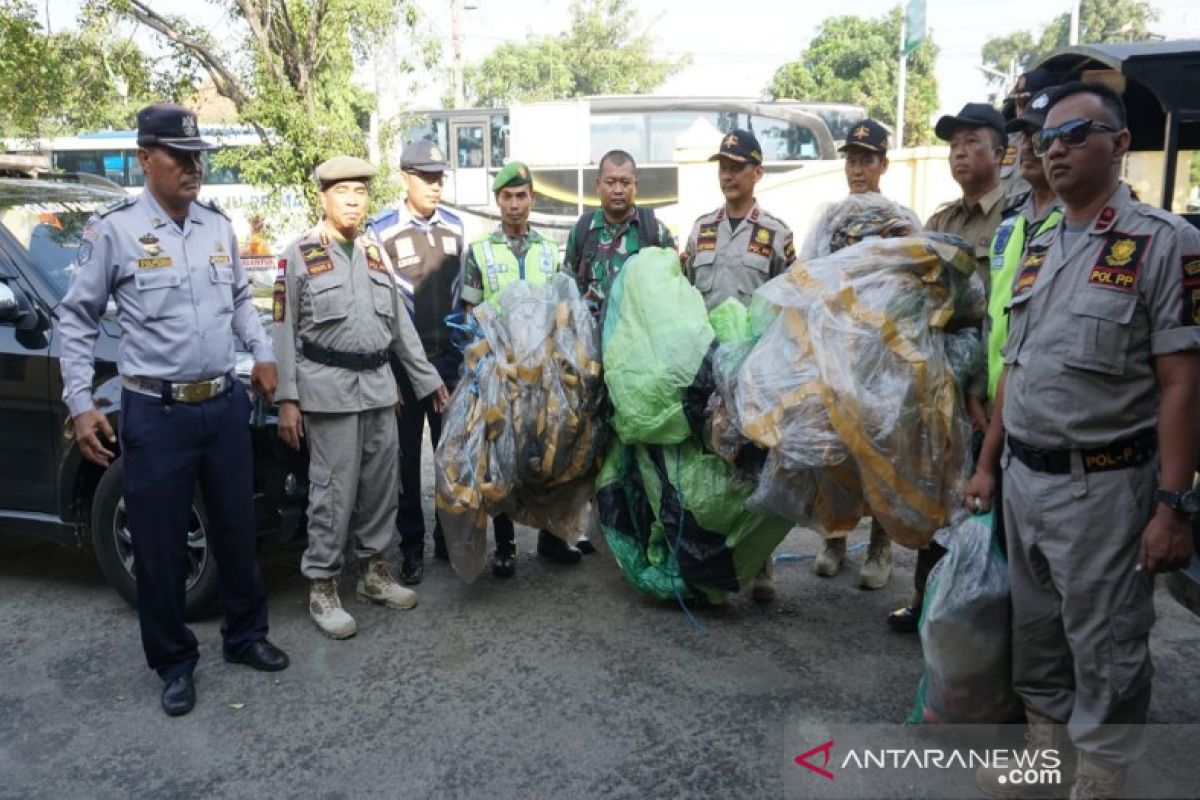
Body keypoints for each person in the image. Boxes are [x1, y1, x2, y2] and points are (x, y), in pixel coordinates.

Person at [967, 81, 1199, 799]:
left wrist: (1171, 505)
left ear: (1120, 145)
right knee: (1037, 636)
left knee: (1105, 646)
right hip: (1024, 479)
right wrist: (986, 465)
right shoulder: (1037, 243)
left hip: (1103, 486)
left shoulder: (1166, 244)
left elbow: (1183, 385)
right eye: (1046, 138)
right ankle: (1045, 753)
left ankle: (1098, 774)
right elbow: (1016, 363)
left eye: (1075, 135)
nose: (1053, 149)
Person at [58, 103, 289, 717]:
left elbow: (242, 298)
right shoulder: (114, 230)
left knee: (237, 531)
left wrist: (262, 351)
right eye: (179, 157)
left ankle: (246, 637)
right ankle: (174, 662)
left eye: (198, 158)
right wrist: (81, 404)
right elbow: (76, 319)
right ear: (145, 159)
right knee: (160, 547)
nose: (194, 169)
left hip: (222, 405)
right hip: (155, 414)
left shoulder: (217, 226)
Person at [273, 155, 449, 639]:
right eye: (343, 192)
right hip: (327, 392)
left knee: (380, 487)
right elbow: (283, 329)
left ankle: (374, 573)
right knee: (332, 493)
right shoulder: (300, 253)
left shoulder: (374, 251)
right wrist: (288, 398)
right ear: (323, 197)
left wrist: (426, 378)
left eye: (360, 192)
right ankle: (323, 586)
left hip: (377, 388)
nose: (353, 201)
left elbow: (400, 325)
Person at [887, 101, 1011, 634]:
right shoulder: (940, 219)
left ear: (1001, 153)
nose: (960, 153)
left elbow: (1000, 318)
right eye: (954, 144)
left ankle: (981, 614)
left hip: (995, 386)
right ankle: (927, 600)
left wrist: (983, 390)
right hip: (945, 387)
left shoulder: (1018, 217)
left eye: (972, 143)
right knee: (940, 493)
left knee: (990, 500)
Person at [682, 129, 796, 601]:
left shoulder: (776, 232)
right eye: (722, 166)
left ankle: (761, 563)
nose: (727, 175)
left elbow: (791, 302)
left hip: (755, 369)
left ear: (757, 173)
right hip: (709, 366)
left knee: (755, 463)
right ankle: (712, 554)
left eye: (737, 166)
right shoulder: (699, 228)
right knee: (709, 460)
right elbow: (686, 292)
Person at [802, 118, 915, 589]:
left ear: (884, 164)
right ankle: (835, 538)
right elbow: (807, 279)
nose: (857, 168)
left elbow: (915, 285)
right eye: (851, 159)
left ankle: (880, 545)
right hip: (838, 352)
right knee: (836, 453)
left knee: (882, 452)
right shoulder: (830, 218)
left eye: (866, 159)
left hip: (884, 356)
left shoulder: (901, 217)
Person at [461, 161, 582, 576]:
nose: (515, 204)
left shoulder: (551, 251)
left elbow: (564, 309)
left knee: (549, 453)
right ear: (498, 201)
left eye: (522, 195)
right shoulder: (479, 251)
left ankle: (551, 537)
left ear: (532, 198)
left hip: (546, 372)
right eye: (507, 197)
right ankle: (506, 546)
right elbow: (467, 313)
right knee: (503, 455)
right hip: (502, 370)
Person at [563, 148, 675, 553]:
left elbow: (672, 291)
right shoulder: (583, 230)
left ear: (636, 186)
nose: (617, 189)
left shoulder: (652, 230)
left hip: (638, 359)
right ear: (598, 185)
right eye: (610, 181)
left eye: (625, 182)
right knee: (588, 440)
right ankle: (584, 523)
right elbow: (567, 290)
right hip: (591, 357)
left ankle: (640, 523)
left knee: (636, 439)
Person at [367, 140, 466, 585]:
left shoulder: (457, 230)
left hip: (447, 366)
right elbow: (378, 310)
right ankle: (411, 549)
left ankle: (449, 540)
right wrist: (387, 373)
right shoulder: (381, 232)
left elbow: (465, 299)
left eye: (439, 177)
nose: (434, 185)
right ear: (404, 178)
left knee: (451, 457)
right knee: (405, 464)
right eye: (425, 177)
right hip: (403, 372)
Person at [999, 68, 1060, 203]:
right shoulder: (1005, 142)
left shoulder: (1058, 141)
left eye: (1028, 102)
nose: (1021, 110)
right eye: (1018, 103)